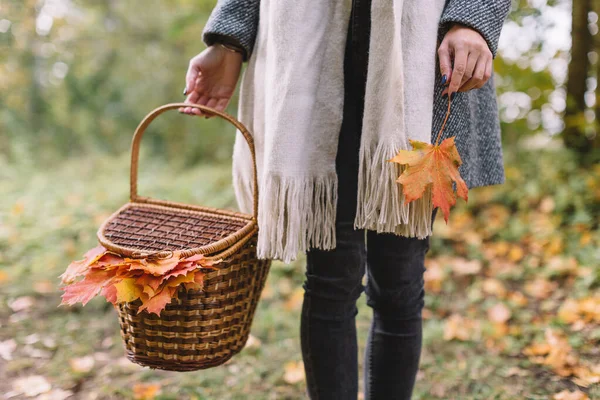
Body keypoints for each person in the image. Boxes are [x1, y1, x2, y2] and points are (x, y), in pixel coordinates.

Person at [182, 0, 511, 398]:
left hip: (418, 56)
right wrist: (227, 39)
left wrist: (473, 19)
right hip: (313, 57)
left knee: (400, 284)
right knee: (330, 281)